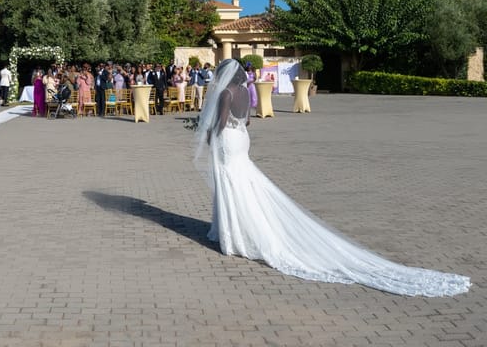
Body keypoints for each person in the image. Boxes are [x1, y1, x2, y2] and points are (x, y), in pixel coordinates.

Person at [194, 59, 470, 297]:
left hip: (228, 143)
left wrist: (207, 135)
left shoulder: (226, 94)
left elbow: (218, 125)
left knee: (231, 184)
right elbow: (248, 120)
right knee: (245, 183)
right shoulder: (244, 91)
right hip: (242, 139)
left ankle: (235, 237)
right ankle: (240, 230)